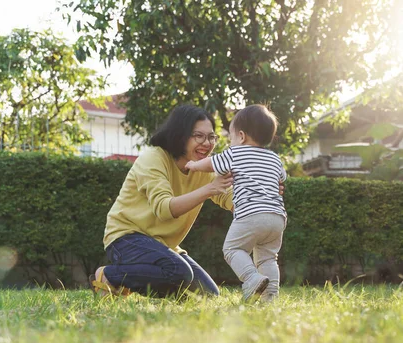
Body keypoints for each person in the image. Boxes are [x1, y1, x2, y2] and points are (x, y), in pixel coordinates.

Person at [89, 104, 234, 298]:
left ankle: (142, 283)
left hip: (164, 247)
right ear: (180, 135)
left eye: (211, 137)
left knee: (208, 294)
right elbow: (164, 208)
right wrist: (209, 189)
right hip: (126, 238)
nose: (207, 143)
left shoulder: (204, 168)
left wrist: (264, 195)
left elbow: (229, 197)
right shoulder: (154, 158)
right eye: (198, 136)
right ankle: (109, 275)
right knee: (179, 273)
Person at [186, 104, 286, 302]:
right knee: (267, 258)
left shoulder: (235, 153)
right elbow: (281, 181)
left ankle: (251, 278)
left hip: (250, 214)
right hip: (277, 217)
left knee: (232, 249)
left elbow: (211, 163)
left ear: (241, 136)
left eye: (231, 138)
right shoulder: (275, 159)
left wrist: (193, 165)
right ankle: (270, 297)